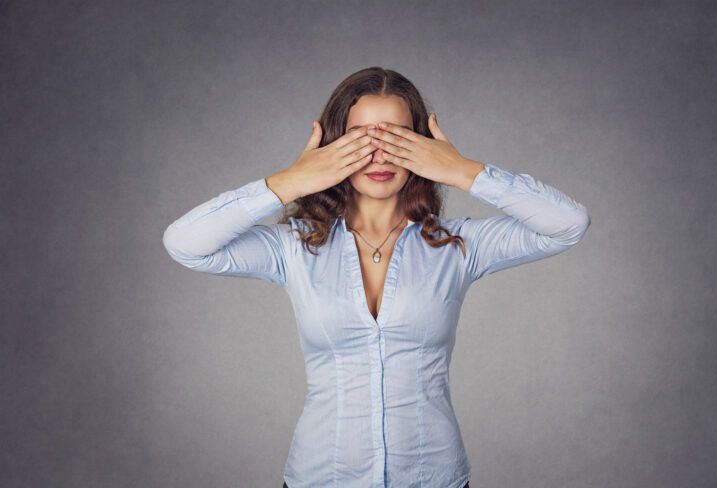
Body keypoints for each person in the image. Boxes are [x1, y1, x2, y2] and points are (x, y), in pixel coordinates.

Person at [162, 67, 590, 488]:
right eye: (361, 139)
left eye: (397, 139)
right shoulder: (293, 247)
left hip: (433, 476)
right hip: (320, 476)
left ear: (422, 146)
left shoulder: (459, 245)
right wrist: (292, 181)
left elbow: (568, 224)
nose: (380, 155)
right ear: (333, 146)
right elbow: (185, 243)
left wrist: (462, 170)